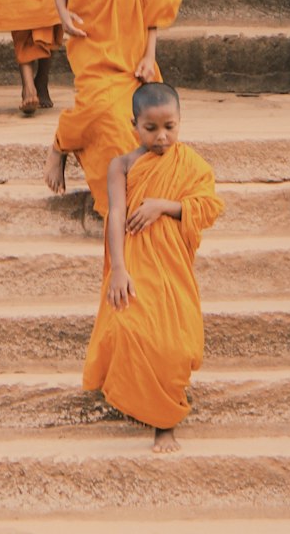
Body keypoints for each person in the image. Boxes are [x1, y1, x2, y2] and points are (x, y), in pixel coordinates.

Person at [83, 82, 223, 453]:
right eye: (151, 128)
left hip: (172, 261)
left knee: (176, 342)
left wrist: (163, 205)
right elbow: (115, 216)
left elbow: (208, 207)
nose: (162, 137)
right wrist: (118, 269)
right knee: (131, 326)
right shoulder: (122, 165)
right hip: (135, 257)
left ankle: (166, 420)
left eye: (170, 127)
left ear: (180, 123)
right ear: (135, 126)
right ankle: (151, 411)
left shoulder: (190, 164)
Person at [43, 0, 181, 214]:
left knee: (127, 124)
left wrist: (150, 56)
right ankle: (60, 145)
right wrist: (62, 14)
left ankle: (129, 202)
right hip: (91, 46)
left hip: (131, 52)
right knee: (96, 109)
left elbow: (156, 4)